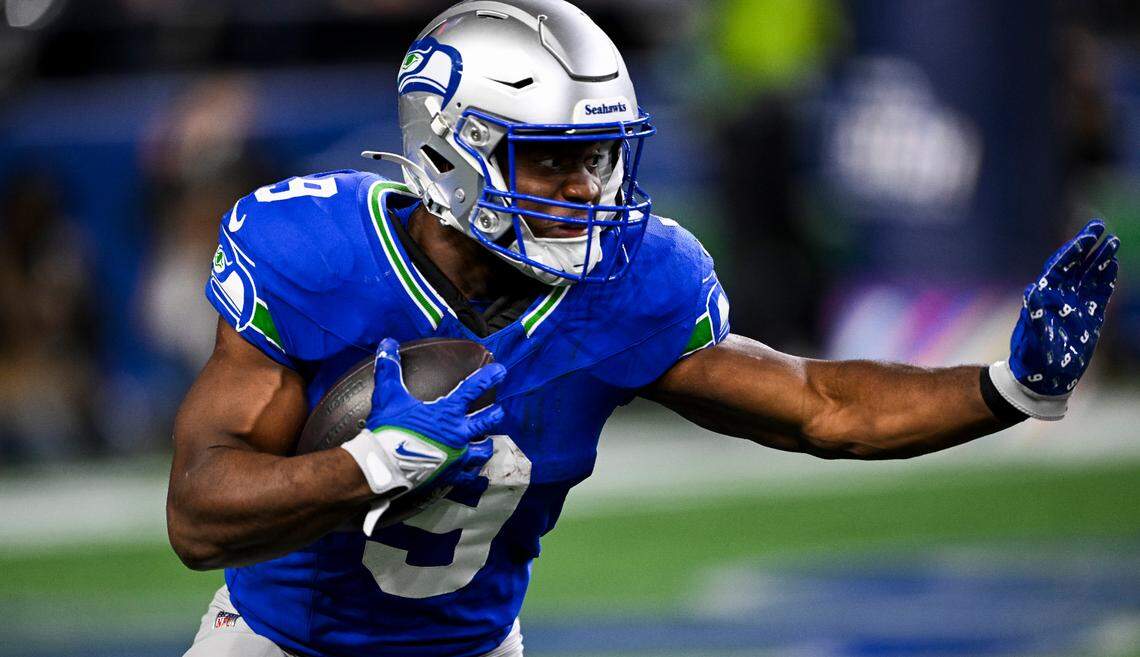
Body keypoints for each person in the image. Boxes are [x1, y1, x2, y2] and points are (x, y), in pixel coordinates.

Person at [167, 2, 1121, 656]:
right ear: (450, 153)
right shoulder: (313, 251)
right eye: (553, 160)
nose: (590, 190)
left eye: (600, 158)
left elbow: (820, 407)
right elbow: (199, 514)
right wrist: (371, 464)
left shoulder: (632, 283)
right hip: (276, 644)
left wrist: (1009, 387)